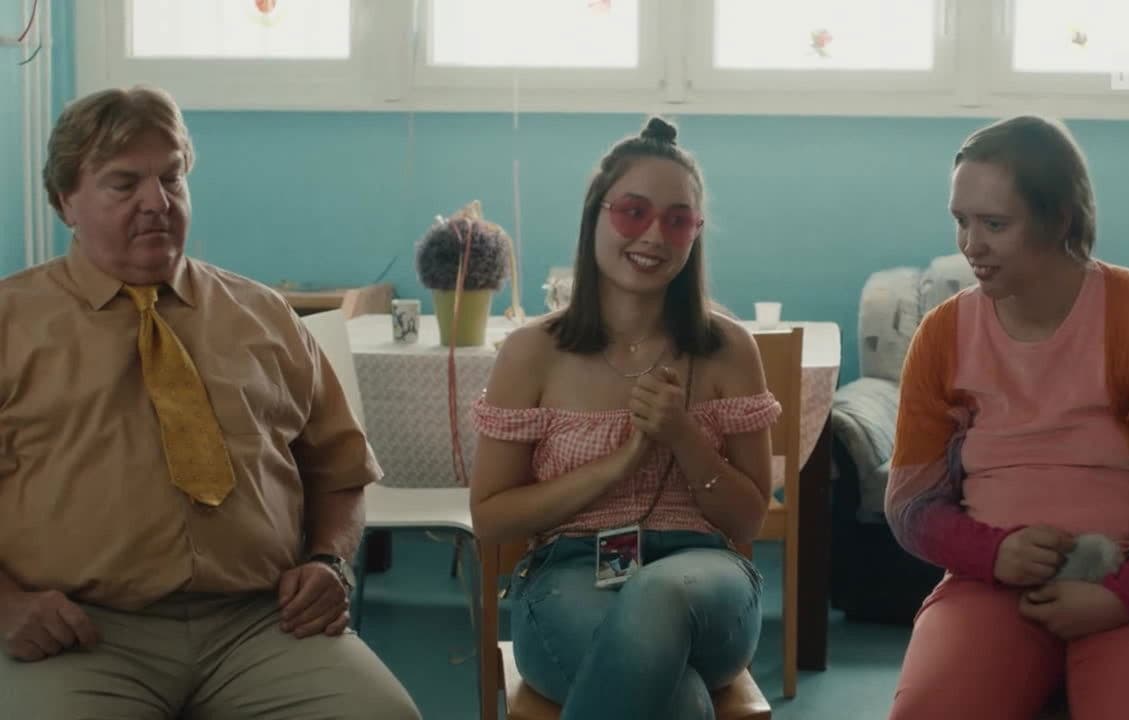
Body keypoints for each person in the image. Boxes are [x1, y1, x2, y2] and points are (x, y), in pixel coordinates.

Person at [0, 86, 420, 719]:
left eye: (172, 177)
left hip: (260, 624)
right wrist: (6, 606)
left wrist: (329, 561)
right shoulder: (11, 323)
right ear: (66, 201)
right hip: (81, 631)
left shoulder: (263, 315)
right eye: (124, 184)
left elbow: (340, 472)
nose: (157, 202)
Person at [885, 115, 1129, 719]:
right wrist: (994, 553)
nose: (970, 244)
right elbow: (911, 504)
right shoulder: (943, 334)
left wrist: (1124, 597)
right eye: (961, 220)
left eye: (995, 224)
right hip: (992, 585)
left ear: (1060, 219)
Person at [469, 117, 779, 720]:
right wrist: (617, 465)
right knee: (680, 701)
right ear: (596, 216)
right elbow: (491, 518)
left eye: (678, 220)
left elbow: (748, 518)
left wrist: (682, 436)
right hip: (569, 574)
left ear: (695, 234)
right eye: (633, 212)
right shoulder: (532, 352)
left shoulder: (728, 349)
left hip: (705, 577)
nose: (654, 235)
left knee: (658, 594)